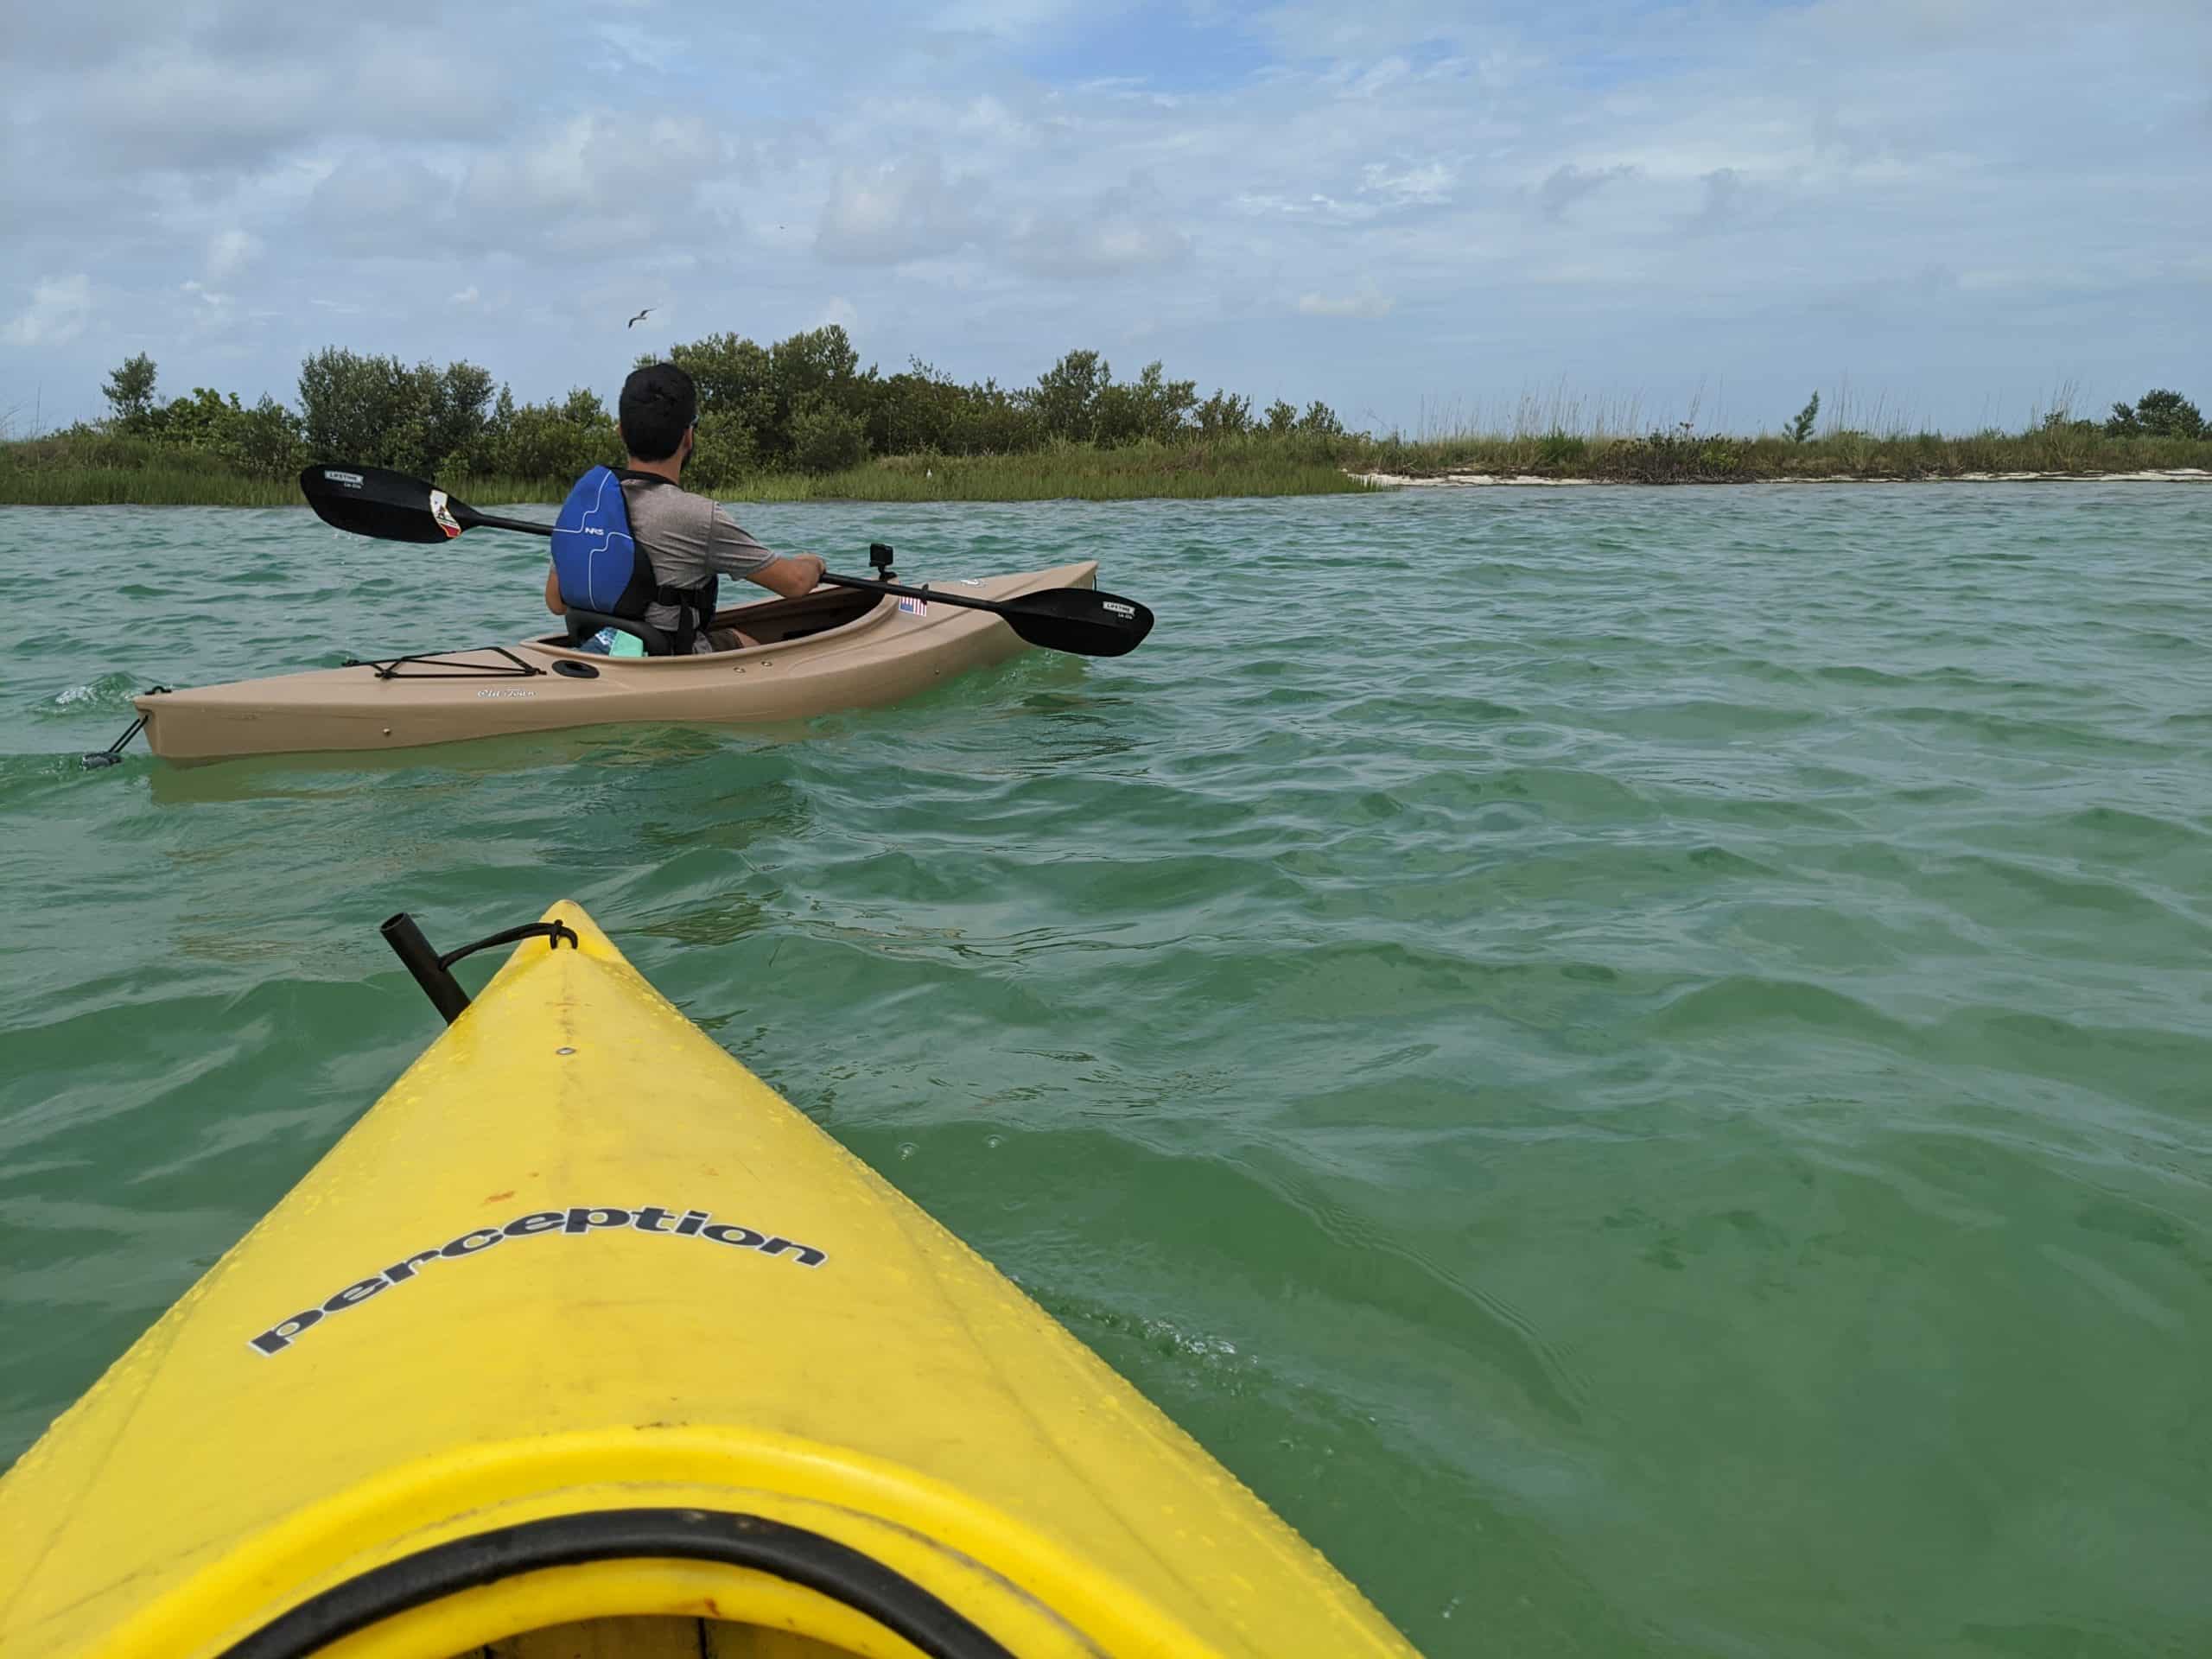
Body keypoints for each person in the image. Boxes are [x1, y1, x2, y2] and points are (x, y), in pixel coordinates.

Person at [543, 362, 824, 652]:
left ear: (621, 432)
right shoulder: (699, 516)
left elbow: (555, 602)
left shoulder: (588, 505)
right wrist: (812, 563)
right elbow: (795, 583)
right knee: (744, 642)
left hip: (597, 652)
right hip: (667, 660)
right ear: (688, 436)